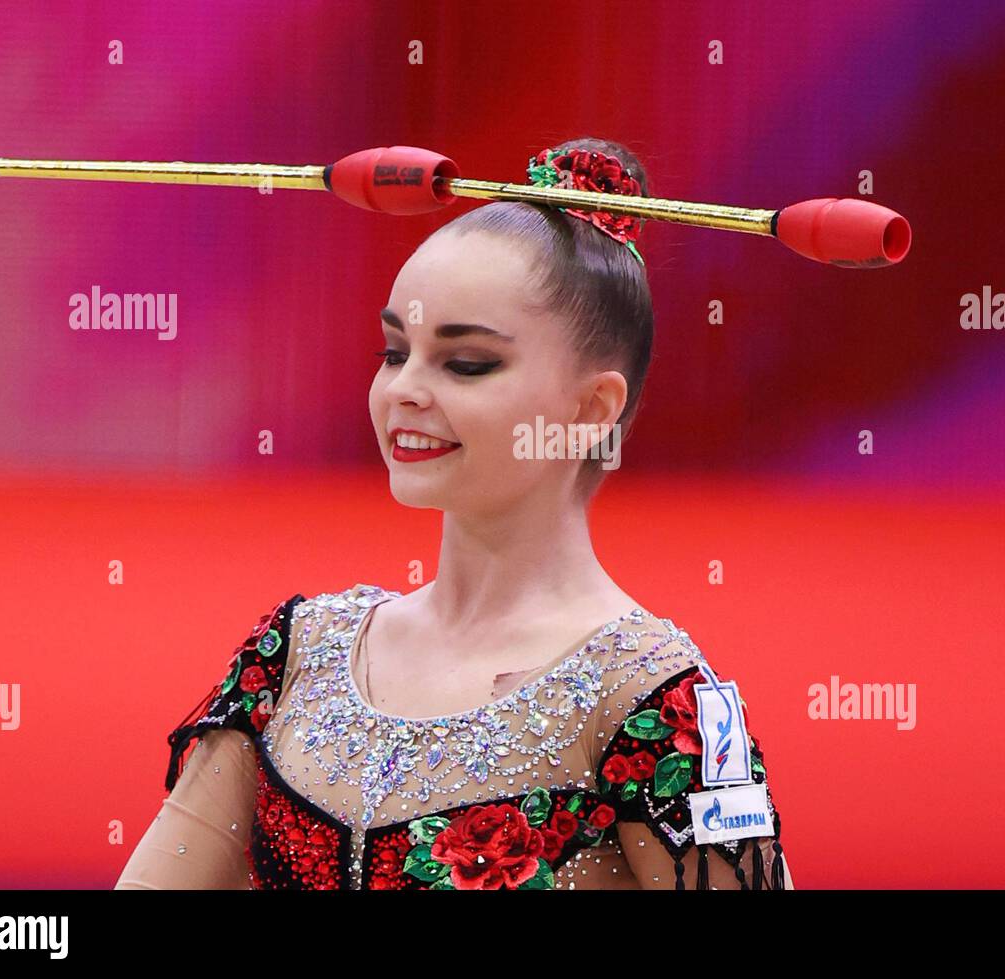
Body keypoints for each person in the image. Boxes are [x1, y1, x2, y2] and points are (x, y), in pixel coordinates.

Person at [115, 137, 794, 891]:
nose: (404, 388)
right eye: (393, 352)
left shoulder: (662, 706)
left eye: (466, 363)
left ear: (591, 407)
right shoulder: (295, 656)